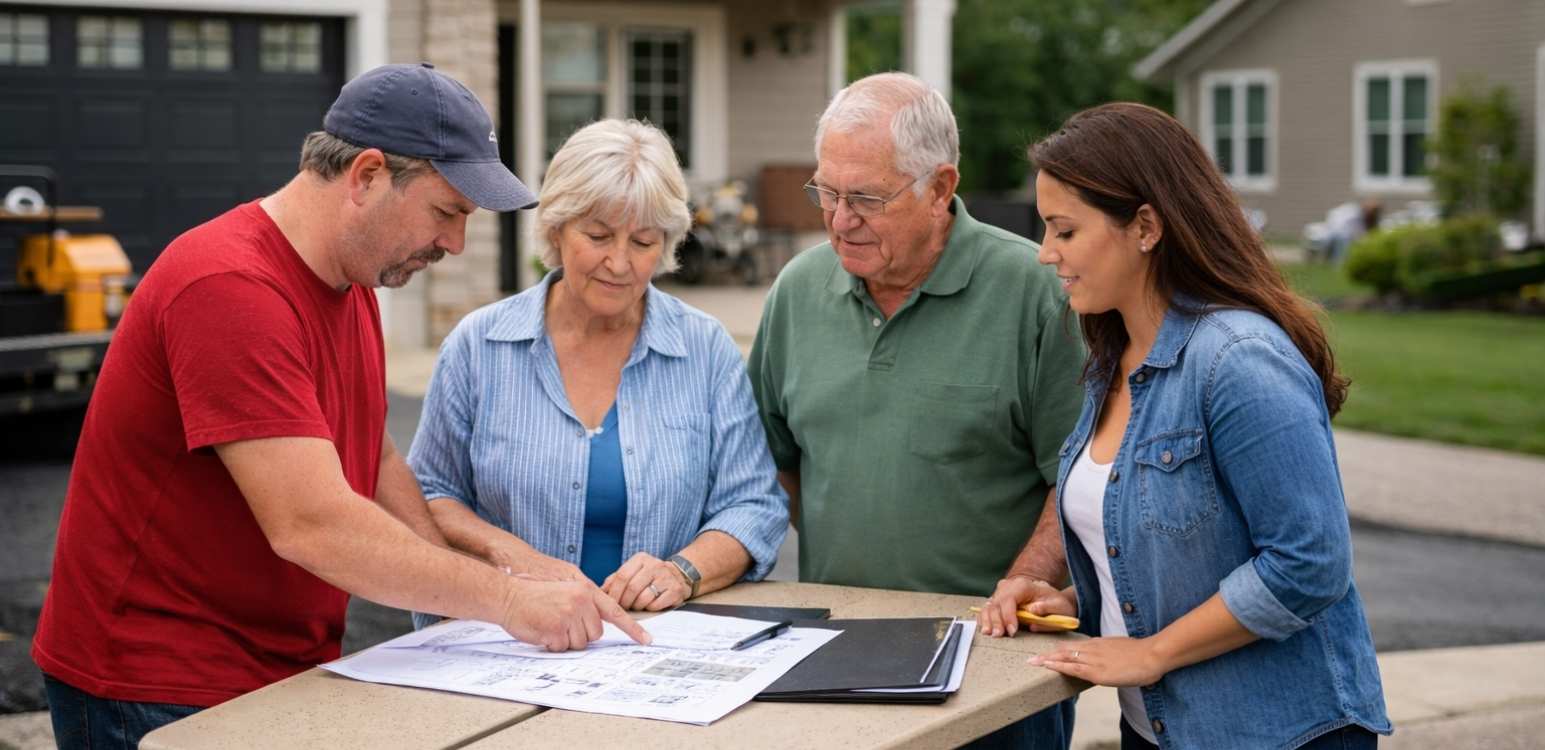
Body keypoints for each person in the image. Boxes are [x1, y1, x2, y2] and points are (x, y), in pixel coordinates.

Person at [32, 63, 647, 749]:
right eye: (447, 212)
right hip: (155, 683)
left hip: (273, 665)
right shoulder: (229, 286)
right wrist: (505, 601)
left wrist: (486, 576)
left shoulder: (351, 279)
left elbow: (372, 456)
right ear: (366, 175)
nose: (454, 244)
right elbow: (311, 523)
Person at [1022, 102, 1390, 749]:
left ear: (1143, 226)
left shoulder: (1237, 359)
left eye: (1063, 230)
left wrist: (1152, 652)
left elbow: (1309, 563)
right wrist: (1086, 603)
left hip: (1276, 734)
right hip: (1159, 729)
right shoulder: (1111, 358)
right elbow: (1168, 549)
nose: (1045, 253)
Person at [747, 72, 1085, 748]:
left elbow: (1076, 475)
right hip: (832, 664)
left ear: (940, 187)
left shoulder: (1037, 293)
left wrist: (1020, 584)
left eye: (866, 197)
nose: (840, 220)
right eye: (827, 192)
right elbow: (772, 460)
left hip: (993, 668)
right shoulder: (796, 291)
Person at [407, 118, 787, 621]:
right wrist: (513, 558)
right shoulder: (479, 346)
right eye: (599, 235)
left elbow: (753, 505)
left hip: (656, 644)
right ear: (557, 228)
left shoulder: (705, 349)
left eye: (643, 242)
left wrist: (682, 572)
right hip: (501, 637)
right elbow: (429, 494)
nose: (619, 263)